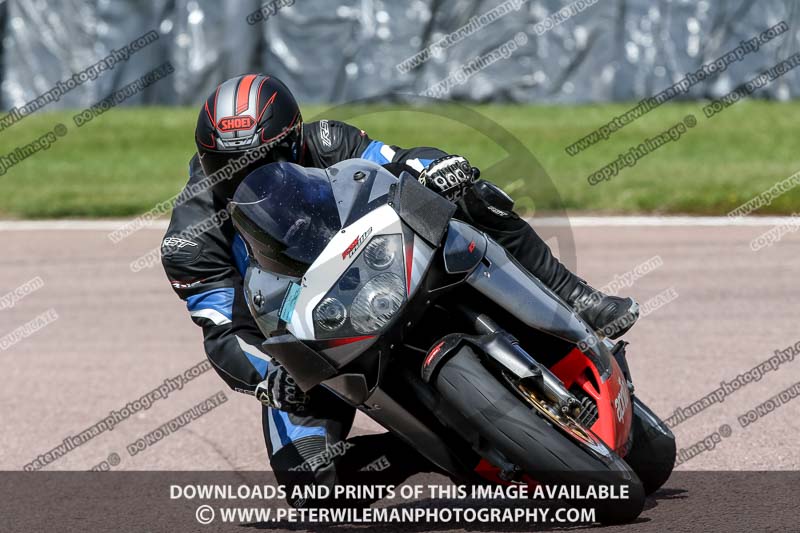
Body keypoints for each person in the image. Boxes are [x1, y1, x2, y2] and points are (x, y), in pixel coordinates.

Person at [161, 73, 639, 505]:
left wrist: (437, 166)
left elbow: (395, 161)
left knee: (474, 196)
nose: (248, 176)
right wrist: (271, 377)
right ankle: (429, 448)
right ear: (205, 161)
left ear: (294, 139)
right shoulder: (190, 238)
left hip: (391, 266)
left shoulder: (327, 141)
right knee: (311, 487)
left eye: (266, 159)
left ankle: (576, 298)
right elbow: (224, 330)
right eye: (227, 165)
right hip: (312, 339)